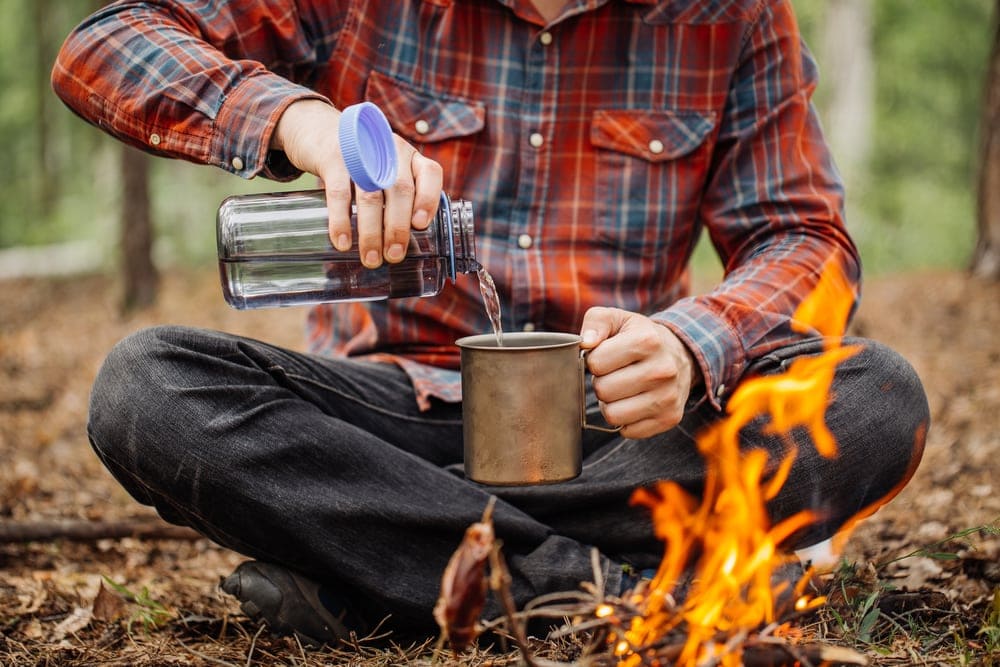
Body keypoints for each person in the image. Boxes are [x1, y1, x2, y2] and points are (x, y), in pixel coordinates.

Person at [52, 0, 928, 648]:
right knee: (146, 388)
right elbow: (105, 44)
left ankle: (380, 572)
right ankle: (596, 591)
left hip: (618, 434)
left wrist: (693, 343)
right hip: (389, 425)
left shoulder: (730, 18)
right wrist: (302, 123)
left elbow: (802, 236)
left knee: (877, 397)